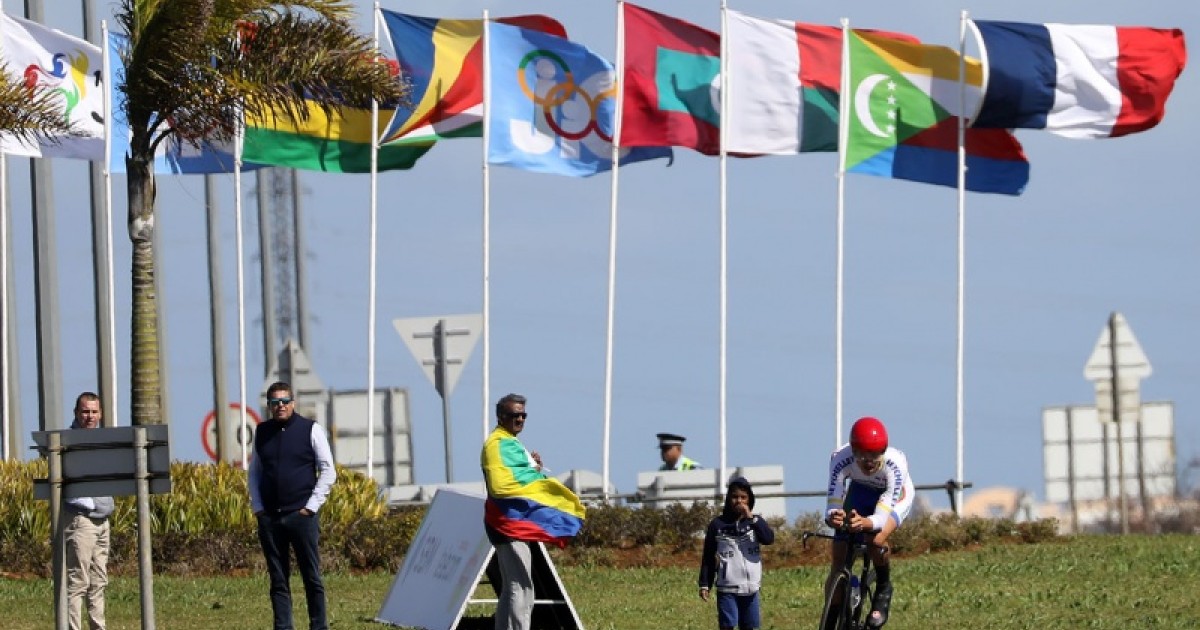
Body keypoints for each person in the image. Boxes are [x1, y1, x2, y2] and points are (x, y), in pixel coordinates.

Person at [481, 393, 585, 630]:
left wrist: (533, 467)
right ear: (500, 416)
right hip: (507, 524)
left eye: (523, 415)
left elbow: (518, 476)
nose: (519, 419)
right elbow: (503, 485)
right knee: (522, 587)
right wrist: (534, 474)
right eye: (513, 415)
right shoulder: (497, 444)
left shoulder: (508, 442)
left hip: (506, 523)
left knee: (512, 587)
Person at [249, 381, 337, 630]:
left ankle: (318, 626)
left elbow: (328, 471)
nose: (280, 407)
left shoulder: (311, 429)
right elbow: (254, 472)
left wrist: (310, 507)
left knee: (311, 577)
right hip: (270, 518)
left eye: (285, 401)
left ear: (293, 403)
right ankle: (283, 626)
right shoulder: (262, 432)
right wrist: (258, 507)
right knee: (278, 580)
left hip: (301, 516)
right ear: (269, 406)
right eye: (275, 403)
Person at [824, 416, 914, 628]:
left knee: (875, 539)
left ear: (883, 451)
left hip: (894, 496)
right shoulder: (839, 458)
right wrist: (834, 516)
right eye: (862, 456)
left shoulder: (895, 463)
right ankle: (830, 616)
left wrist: (864, 524)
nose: (868, 462)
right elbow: (833, 499)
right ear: (853, 451)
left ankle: (883, 586)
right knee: (838, 555)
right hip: (861, 491)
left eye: (874, 455)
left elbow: (880, 519)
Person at [64, 392, 114, 630]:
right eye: (85, 412)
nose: (90, 417)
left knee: (98, 581)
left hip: (103, 520)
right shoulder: (68, 442)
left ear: (100, 414)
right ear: (76, 413)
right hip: (80, 519)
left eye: (94, 412)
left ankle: (98, 627)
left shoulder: (104, 440)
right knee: (78, 582)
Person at [698, 476, 775, 630]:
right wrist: (705, 584)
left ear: (749, 500)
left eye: (743, 497)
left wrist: (751, 518)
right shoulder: (717, 525)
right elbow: (708, 556)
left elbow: (768, 539)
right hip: (727, 587)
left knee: (750, 626)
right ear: (728, 499)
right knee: (728, 626)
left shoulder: (755, 522)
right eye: (734, 497)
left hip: (751, 588)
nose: (739, 501)